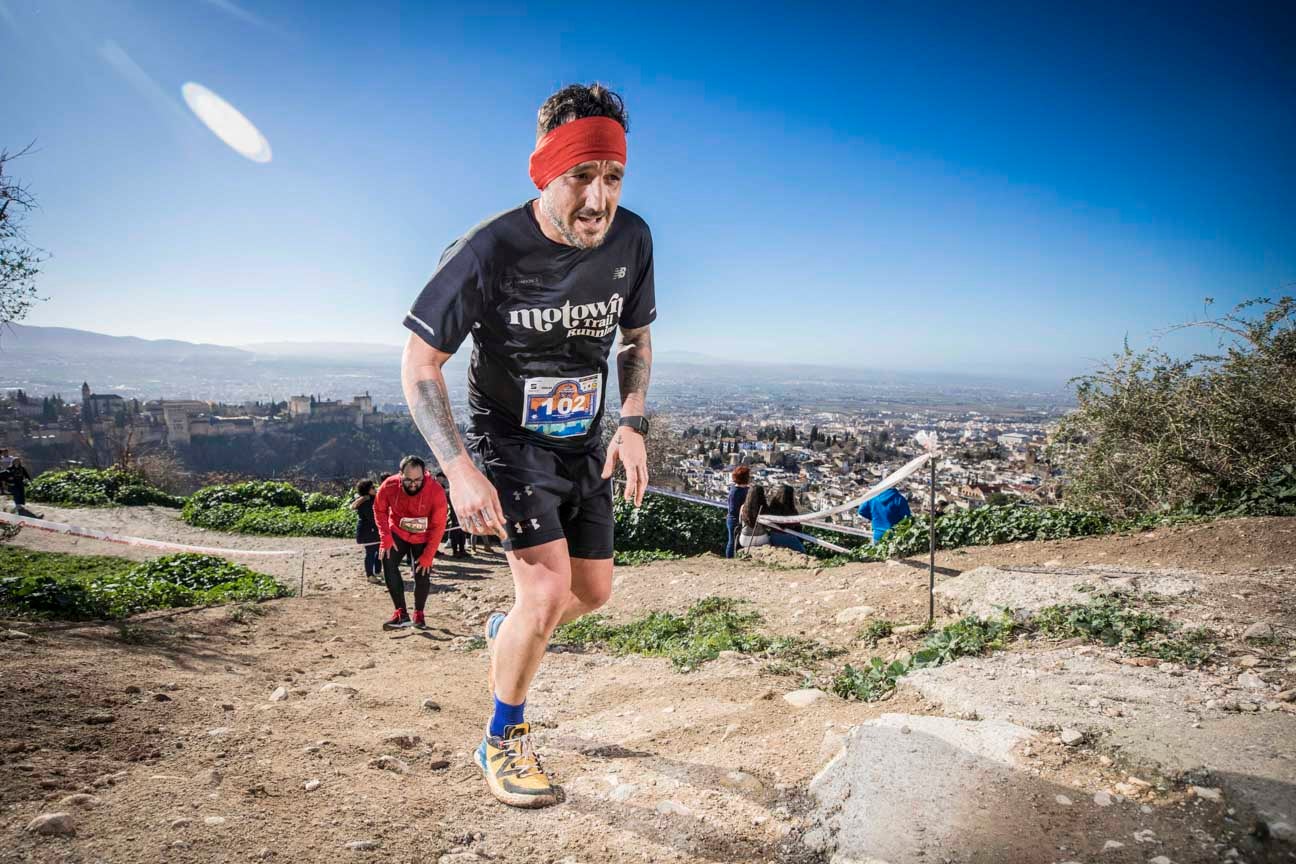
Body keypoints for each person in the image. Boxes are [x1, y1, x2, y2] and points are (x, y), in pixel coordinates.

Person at [399, 83, 655, 808]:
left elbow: (635, 338)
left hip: (583, 443)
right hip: (510, 442)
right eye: (581, 177)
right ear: (545, 171)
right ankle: (501, 738)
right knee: (543, 594)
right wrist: (458, 469)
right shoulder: (488, 249)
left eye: (613, 177)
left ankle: (512, 633)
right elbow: (419, 364)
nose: (599, 200)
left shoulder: (633, 239)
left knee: (591, 592)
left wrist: (632, 422)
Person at [373, 456, 448, 631]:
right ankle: (401, 613)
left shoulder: (436, 491)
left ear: (425, 474)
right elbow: (379, 509)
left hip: (423, 535)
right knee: (387, 559)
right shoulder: (389, 485)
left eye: (418, 480)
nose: (413, 484)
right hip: (398, 531)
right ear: (400, 474)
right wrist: (385, 537)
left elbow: (438, 525)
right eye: (408, 480)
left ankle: (419, 614)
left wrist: (429, 554)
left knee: (422, 571)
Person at [350, 479, 381, 581]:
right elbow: (372, 517)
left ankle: (377, 571)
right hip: (368, 531)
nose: (375, 489)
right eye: (372, 487)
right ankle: (370, 575)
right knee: (371, 552)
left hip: (374, 530)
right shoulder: (365, 502)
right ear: (367, 490)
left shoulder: (372, 499)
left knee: (379, 551)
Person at [764, 483, 807, 553]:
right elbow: (797, 527)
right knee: (803, 552)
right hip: (788, 536)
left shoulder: (772, 508)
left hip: (774, 536)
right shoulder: (792, 511)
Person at [725, 465, 750, 559]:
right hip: (734, 519)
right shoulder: (735, 491)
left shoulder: (743, 489)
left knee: (738, 541)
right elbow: (732, 509)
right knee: (732, 541)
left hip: (741, 519)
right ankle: (729, 559)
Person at [737, 485, 771, 552]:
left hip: (745, 539)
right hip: (762, 538)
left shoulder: (743, 507)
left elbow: (740, 522)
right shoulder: (765, 508)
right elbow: (768, 525)